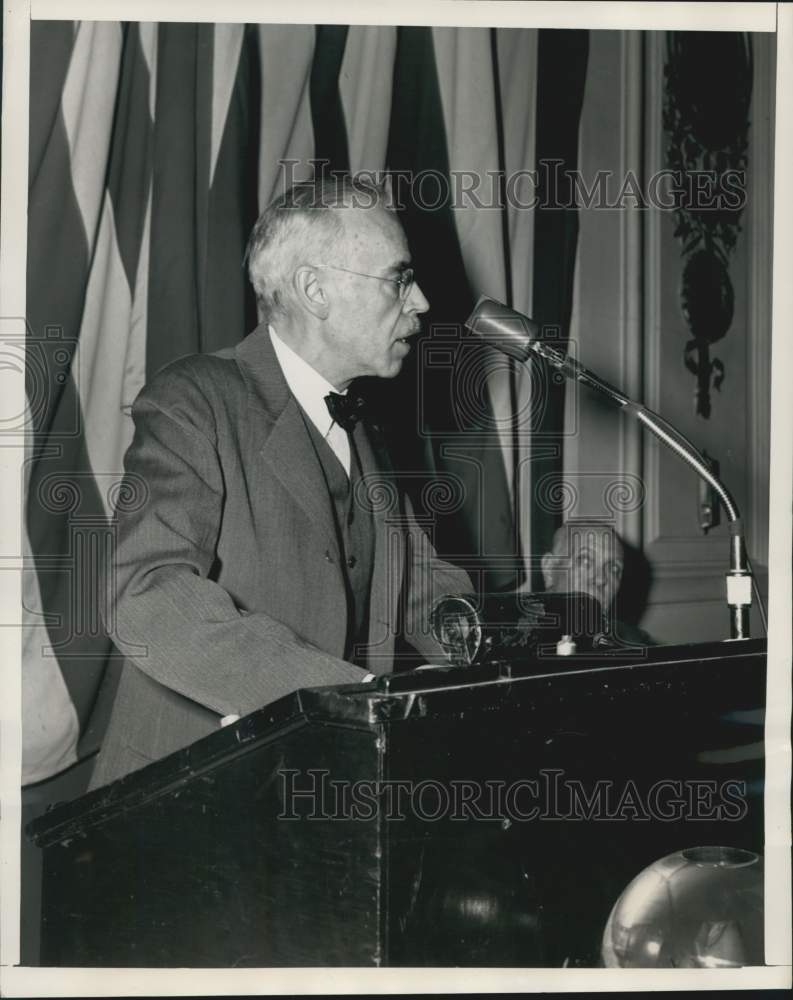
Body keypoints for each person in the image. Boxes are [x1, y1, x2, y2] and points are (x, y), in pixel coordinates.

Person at [90, 177, 472, 789]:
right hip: (197, 792)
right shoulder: (194, 399)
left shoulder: (369, 424)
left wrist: (499, 658)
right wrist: (355, 698)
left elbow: (425, 593)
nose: (422, 300)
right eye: (399, 278)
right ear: (314, 289)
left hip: (330, 787)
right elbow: (147, 595)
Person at [541, 519, 653, 646]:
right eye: (584, 561)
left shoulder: (632, 642)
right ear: (549, 569)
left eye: (613, 568)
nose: (601, 579)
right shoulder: (519, 640)